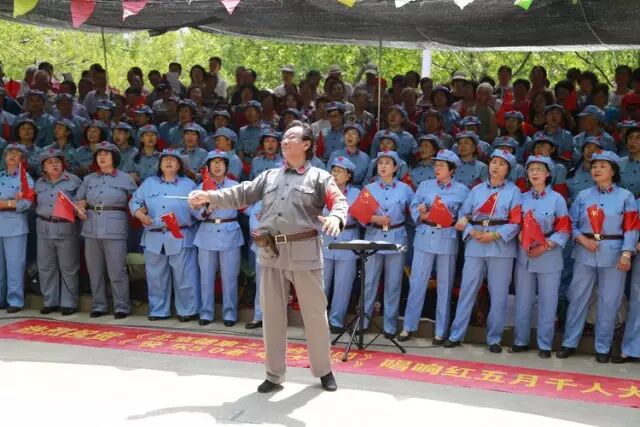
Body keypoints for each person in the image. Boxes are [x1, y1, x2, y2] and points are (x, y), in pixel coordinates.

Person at [188, 121, 347, 393]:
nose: (284, 141)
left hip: (304, 252)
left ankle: (323, 370)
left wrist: (336, 217)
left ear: (306, 144)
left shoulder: (320, 177)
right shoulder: (270, 176)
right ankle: (274, 374)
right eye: (284, 137)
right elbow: (240, 193)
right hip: (271, 252)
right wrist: (209, 196)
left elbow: (339, 201)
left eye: (291, 137)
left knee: (314, 314)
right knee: (271, 315)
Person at [558, 151, 638, 363]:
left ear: (613, 171)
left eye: (603, 166)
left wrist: (626, 253)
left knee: (609, 301)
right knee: (577, 297)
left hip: (614, 253)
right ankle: (569, 342)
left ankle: (603, 347)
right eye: (594, 166)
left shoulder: (625, 197)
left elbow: (631, 228)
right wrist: (581, 240)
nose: (597, 169)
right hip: (585, 251)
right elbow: (571, 223)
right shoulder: (583, 195)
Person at [444, 149, 522, 353]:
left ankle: (494, 338)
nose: (496, 166)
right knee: (467, 290)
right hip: (476, 243)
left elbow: (516, 222)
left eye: (501, 164)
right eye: (494, 162)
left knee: (499, 295)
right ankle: (456, 335)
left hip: (500, 247)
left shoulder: (514, 191)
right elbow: (464, 214)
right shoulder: (477, 190)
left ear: (508, 170)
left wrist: (495, 235)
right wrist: (470, 230)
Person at [399, 150, 469, 343]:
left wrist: (461, 219)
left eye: (441, 165)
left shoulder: (462, 190)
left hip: (447, 237)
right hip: (424, 236)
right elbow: (414, 207)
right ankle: (408, 326)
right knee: (417, 283)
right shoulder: (425, 185)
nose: (437, 168)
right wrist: (419, 213)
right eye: (436, 165)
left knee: (445, 286)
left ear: (452, 169)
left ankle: (441, 330)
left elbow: (466, 213)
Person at [512, 155, 571, 358]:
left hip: (549, 254)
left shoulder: (557, 199)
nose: (535, 173)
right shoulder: (521, 198)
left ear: (548, 174)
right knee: (523, 300)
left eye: (539, 169)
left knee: (548, 302)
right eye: (531, 169)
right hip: (525, 254)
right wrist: (521, 236)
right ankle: (520, 340)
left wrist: (544, 246)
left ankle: (545, 344)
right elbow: (514, 223)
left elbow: (563, 229)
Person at [75, 142, 137, 318]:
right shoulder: (89, 179)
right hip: (91, 226)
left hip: (114, 227)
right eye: (99, 154)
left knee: (117, 270)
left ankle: (121, 306)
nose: (102, 157)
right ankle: (99, 305)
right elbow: (77, 200)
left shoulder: (125, 178)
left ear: (114, 158)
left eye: (106, 154)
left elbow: (136, 200)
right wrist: (79, 207)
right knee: (94, 270)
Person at [359, 150, 414, 337]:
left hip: (396, 237)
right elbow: (359, 214)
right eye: (380, 163)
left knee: (393, 284)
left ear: (396, 167)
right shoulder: (369, 188)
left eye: (387, 163)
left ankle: (390, 326)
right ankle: (363, 322)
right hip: (373, 236)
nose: (383, 166)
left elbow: (413, 214)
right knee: (369, 282)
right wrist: (374, 218)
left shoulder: (405, 189)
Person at [193, 150, 243, 326]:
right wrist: (207, 209)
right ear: (207, 167)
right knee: (206, 276)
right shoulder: (200, 188)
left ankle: (230, 313)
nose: (217, 165)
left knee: (230, 277)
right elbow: (194, 213)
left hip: (230, 232)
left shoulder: (235, 185)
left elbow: (244, 206)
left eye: (221, 162)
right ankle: (206, 313)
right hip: (207, 231)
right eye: (213, 162)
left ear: (226, 166)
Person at [34, 148, 82, 315]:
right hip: (44, 226)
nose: (54, 165)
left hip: (65, 226)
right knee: (46, 266)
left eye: (57, 162)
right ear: (43, 167)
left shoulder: (73, 181)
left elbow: (81, 203)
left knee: (69, 267)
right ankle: (50, 301)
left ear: (63, 164)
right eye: (49, 162)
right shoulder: (39, 183)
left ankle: (69, 303)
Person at [322, 156, 360, 333]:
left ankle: (336, 321)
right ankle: (318, 320)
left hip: (347, 238)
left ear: (348, 175)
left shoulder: (357, 194)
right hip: (326, 239)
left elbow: (363, 218)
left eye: (339, 171)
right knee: (321, 283)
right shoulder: (323, 191)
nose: (335, 174)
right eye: (333, 170)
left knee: (343, 284)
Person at [0, 144, 34, 312]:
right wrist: (12, 201)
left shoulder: (25, 178)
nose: (12, 156)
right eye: (9, 153)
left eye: (16, 153)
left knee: (14, 264)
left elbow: (27, 202)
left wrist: (6, 204)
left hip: (15, 225)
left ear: (22, 159)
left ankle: (15, 300)